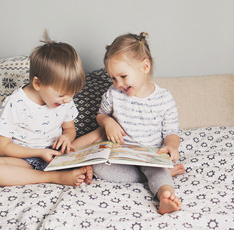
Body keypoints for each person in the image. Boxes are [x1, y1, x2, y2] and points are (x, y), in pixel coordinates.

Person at [73, 32, 184, 214]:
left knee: (156, 171)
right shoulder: (113, 94)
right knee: (99, 166)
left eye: (123, 76)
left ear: (145, 66)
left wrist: (171, 147)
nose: (118, 83)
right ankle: (154, 176)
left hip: (149, 155)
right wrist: (108, 122)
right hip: (121, 152)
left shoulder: (164, 98)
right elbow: (100, 116)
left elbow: (171, 132)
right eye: (113, 78)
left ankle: (165, 195)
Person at [0, 32, 93, 187]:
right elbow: (2, 147)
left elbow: (69, 128)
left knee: (101, 133)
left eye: (72, 94)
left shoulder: (65, 99)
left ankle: (74, 166)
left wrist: (67, 138)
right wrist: (40, 153)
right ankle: (55, 177)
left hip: (57, 154)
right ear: (38, 84)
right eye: (62, 95)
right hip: (25, 158)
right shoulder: (15, 103)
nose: (68, 100)